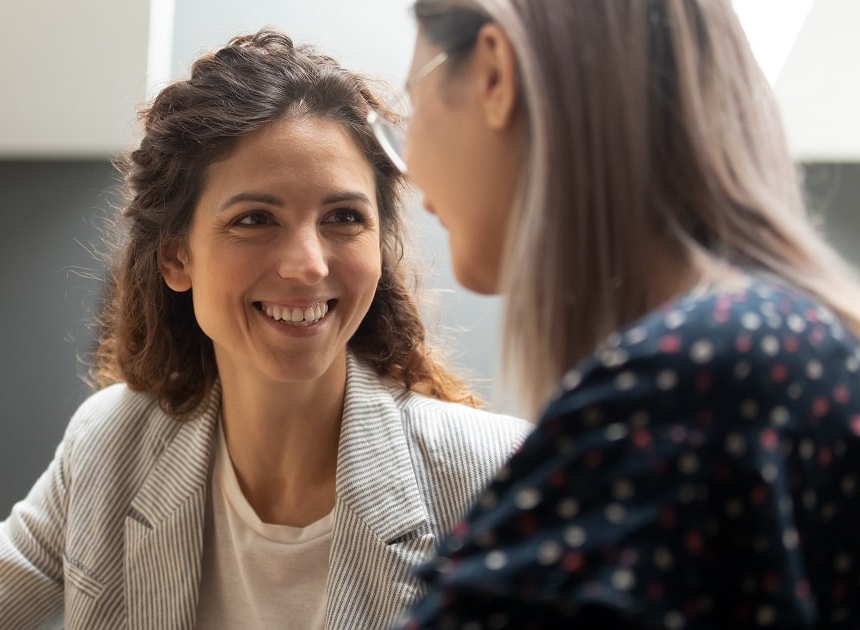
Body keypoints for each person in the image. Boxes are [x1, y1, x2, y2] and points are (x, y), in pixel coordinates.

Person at [0, 30, 532, 629]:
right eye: (255, 219)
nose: (307, 264)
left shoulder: (492, 478)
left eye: (345, 218)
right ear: (176, 257)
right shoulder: (111, 449)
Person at [365, 1, 860, 627]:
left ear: (494, 75)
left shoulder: (692, 382)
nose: (412, 170)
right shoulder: (772, 349)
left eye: (415, 103)